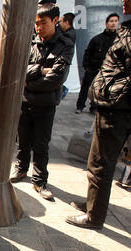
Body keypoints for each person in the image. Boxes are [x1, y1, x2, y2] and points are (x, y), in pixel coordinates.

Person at [66, 0, 131, 229]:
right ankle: (94, 205)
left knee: (102, 163)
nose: (124, 2)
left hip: (118, 110)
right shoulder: (125, 30)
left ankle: (94, 217)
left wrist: (113, 91)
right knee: (97, 162)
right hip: (112, 107)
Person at [10, 2, 74, 200]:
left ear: (55, 21)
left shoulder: (65, 45)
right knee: (22, 140)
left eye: (42, 23)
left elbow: (56, 78)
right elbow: (19, 72)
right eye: (36, 23)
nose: (38, 28)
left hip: (46, 105)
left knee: (41, 144)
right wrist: (40, 70)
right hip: (24, 102)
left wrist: (28, 81)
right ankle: (21, 169)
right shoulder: (31, 44)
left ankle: (39, 180)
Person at [75, 13, 119, 114]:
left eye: (115, 21)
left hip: (107, 71)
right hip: (92, 68)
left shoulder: (118, 40)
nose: (113, 24)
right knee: (85, 88)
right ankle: (80, 106)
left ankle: (94, 107)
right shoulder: (97, 39)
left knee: (100, 91)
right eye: (111, 21)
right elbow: (88, 53)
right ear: (106, 23)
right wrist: (86, 66)